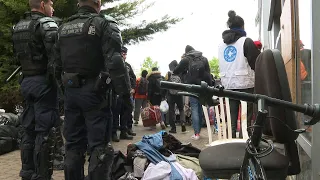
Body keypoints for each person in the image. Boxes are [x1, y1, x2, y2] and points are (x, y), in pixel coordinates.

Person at [53, 0, 132, 179]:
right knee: (100, 147)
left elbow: (55, 64)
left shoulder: (62, 28)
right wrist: (125, 94)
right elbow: (115, 62)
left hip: (71, 92)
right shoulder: (103, 24)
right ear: (98, 3)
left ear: (79, 3)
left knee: (73, 144)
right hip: (95, 93)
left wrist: (64, 90)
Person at [12, 0, 59, 179]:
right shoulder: (46, 24)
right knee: (45, 131)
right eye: (51, 4)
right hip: (43, 83)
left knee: (28, 128)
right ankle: (42, 175)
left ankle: (27, 172)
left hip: (26, 82)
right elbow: (56, 57)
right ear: (42, 4)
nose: (52, 8)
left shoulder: (19, 26)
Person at [218, 10, 260, 138]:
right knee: (245, 117)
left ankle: (231, 139)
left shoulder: (221, 45)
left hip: (228, 84)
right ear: (242, 26)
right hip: (245, 84)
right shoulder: (246, 41)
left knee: (232, 115)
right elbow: (256, 62)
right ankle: (244, 140)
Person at [174, 45, 212, 140]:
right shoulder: (204, 58)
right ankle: (199, 130)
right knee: (200, 107)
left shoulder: (186, 59)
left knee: (194, 108)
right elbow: (208, 73)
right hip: (203, 86)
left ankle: (196, 134)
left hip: (192, 87)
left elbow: (176, 70)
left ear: (187, 52)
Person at [111, 47, 136, 142]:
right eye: (122, 53)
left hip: (127, 93)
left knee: (127, 111)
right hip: (117, 93)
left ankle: (124, 131)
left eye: (125, 54)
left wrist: (133, 88)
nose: (124, 56)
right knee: (115, 113)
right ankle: (113, 133)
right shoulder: (113, 65)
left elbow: (133, 77)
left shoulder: (128, 66)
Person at [165, 60, 186, 133]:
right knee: (181, 109)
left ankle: (173, 128)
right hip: (179, 94)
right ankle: (183, 123)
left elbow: (165, 84)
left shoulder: (168, 74)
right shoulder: (180, 72)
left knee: (171, 110)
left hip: (171, 95)